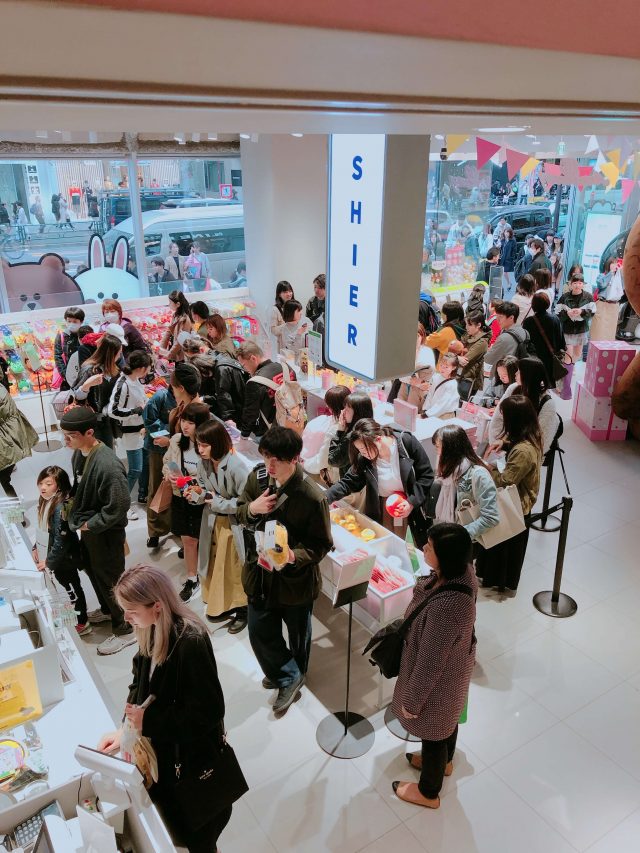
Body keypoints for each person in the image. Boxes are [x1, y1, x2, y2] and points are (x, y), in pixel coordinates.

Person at [98, 564, 233, 852]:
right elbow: (139, 684)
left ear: (157, 606)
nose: (127, 618)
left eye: (132, 611)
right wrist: (125, 729)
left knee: (199, 840)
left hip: (192, 768)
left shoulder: (190, 642)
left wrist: (149, 722)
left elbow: (208, 713)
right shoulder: (150, 631)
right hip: (168, 763)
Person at [236, 427, 333, 714]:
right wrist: (252, 508)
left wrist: (294, 555)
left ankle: (292, 675)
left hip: (295, 579)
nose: (270, 465)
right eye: (266, 457)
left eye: (277, 459)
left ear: (295, 459)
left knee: (298, 634)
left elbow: (321, 545)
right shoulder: (258, 479)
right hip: (260, 573)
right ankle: (288, 675)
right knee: (258, 629)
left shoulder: (312, 496)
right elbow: (239, 511)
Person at [390, 523, 477, 809]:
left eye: (430, 547)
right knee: (447, 720)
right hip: (455, 668)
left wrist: (412, 703)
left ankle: (428, 791)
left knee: (433, 730)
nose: (424, 549)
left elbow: (430, 662)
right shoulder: (463, 573)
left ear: (446, 557)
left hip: (440, 678)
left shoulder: (447, 608)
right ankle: (445, 764)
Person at [60, 407, 133, 655]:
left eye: (70, 435)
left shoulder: (108, 465)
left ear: (89, 432)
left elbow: (120, 505)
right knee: (93, 570)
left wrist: (92, 524)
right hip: (89, 530)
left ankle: (125, 627)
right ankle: (107, 609)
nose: (65, 440)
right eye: (64, 435)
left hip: (106, 533)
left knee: (111, 577)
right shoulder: (80, 454)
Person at [327, 419, 434, 546]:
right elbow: (347, 483)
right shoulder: (365, 459)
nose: (363, 454)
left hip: (410, 507)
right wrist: (323, 499)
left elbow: (426, 475)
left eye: (364, 449)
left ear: (378, 439)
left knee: (411, 547)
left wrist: (411, 502)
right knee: (386, 545)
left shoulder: (406, 443)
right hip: (382, 507)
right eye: (359, 450)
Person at [476, 395, 542, 593]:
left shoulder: (523, 451)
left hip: (516, 506)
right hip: (518, 504)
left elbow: (506, 480)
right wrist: (504, 445)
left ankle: (498, 580)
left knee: (502, 545)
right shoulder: (530, 437)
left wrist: (485, 468)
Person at [191, 420, 249, 631]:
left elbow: (245, 503)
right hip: (212, 522)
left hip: (233, 525)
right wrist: (195, 495)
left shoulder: (236, 466)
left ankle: (243, 609)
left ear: (216, 442)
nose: (200, 449)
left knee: (233, 569)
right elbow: (205, 492)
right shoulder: (202, 464)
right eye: (198, 444)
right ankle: (224, 604)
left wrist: (215, 501)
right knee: (216, 566)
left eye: (204, 445)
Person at [163, 402, 212, 602]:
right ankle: (193, 578)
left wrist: (192, 482)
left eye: (191, 423)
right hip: (180, 496)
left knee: (204, 539)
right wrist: (169, 475)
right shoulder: (176, 441)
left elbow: (214, 476)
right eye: (183, 421)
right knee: (188, 540)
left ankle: (208, 575)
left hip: (202, 499)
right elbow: (167, 463)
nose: (185, 426)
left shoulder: (209, 444)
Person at [32, 466, 89, 634]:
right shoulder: (46, 501)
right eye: (41, 483)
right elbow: (44, 530)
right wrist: (36, 546)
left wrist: (49, 562)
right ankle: (76, 616)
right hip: (55, 557)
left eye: (48, 484)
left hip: (66, 559)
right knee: (66, 587)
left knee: (72, 589)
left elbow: (61, 540)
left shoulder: (60, 507)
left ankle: (82, 622)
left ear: (59, 485)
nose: (43, 487)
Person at [432, 426, 499, 540]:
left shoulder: (478, 475)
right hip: (445, 536)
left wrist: (459, 536)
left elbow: (491, 517)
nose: (436, 451)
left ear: (450, 449)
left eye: (438, 447)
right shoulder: (447, 472)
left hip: (465, 540)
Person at [109, 351, 152, 520]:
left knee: (144, 464)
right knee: (135, 469)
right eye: (148, 368)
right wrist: (137, 411)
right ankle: (121, 505)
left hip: (141, 429)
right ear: (141, 369)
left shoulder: (134, 381)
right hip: (130, 432)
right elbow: (113, 411)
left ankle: (142, 494)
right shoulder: (123, 384)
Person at [143, 372, 181, 550]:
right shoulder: (160, 397)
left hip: (179, 451)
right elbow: (149, 420)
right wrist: (167, 432)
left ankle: (177, 528)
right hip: (158, 450)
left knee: (178, 487)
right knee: (157, 487)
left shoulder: (189, 400)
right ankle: (155, 532)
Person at [72, 330, 124, 448]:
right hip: (93, 422)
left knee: (106, 451)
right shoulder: (90, 369)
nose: (120, 356)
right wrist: (86, 386)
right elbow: (77, 396)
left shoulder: (114, 369)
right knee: (95, 453)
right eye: (118, 353)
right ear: (111, 354)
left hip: (108, 420)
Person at [236, 341, 289, 438]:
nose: (244, 369)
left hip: (270, 433)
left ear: (253, 358)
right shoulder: (286, 368)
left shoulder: (255, 382)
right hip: (292, 425)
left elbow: (250, 413)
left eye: (244, 365)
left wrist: (244, 435)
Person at [300, 385, 350, 483]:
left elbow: (322, 460)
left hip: (338, 476)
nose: (326, 406)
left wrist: (305, 464)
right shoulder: (356, 421)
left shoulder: (333, 431)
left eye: (328, 404)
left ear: (334, 407)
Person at [0, 384, 38, 498]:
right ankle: (16, 512)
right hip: (11, 437)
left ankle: (16, 513)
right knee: (5, 480)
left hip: (6, 440)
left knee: (4, 480)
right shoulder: (1, 388)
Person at [327, 391, 375, 478]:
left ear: (357, 413)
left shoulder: (353, 436)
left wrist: (339, 432)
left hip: (351, 484)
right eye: (344, 407)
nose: (343, 411)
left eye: (347, 409)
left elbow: (332, 460)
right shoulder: (370, 426)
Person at [522, 292, 566, 387]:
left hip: (533, 360)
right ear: (548, 303)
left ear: (533, 305)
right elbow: (562, 343)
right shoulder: (555, 319)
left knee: (533, 385)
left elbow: (525, 342)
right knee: (546, 386)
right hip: (550, 361)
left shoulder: (528, 322)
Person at [193, 352, 246, 424]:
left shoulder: (221, 370)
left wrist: (228, 418)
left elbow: (223, 395)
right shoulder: (221, 361)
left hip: (242, 406)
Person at [555, 273, 596, 363]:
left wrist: (582, 312)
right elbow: (557, 312)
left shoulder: (588, 297)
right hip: (567, 329)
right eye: (575, 283)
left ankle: (569, 370)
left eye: (580, 283)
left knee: (578, 353)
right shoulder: (564, 297)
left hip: (581, 329)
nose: (577, 285)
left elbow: (593, 312)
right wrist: (567, 313)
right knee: (568, 354)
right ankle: (567, 374)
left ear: (583, 284)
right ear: (570, 284)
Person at [483, 301, 529, 381]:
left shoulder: (504, 338)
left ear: (511, 317)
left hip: (503, 377)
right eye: (496, 317)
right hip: (520, 374)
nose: (497, 320)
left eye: (500, 317)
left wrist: (490, 350)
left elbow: (488, 359)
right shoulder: (525, 332)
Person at [397, 325, 436, 410]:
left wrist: (418, 383)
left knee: (412, 416)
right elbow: (400, 377)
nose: (414, 339)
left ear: (422, 336)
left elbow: (429, 377)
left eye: (417, 336)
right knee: (399, 412)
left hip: (418, 391)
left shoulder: (427, 351)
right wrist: (416, 382)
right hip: (404, 386)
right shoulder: (405, 351)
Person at [458, 312, 490, 400]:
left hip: (469, 379)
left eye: (469, 325)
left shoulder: (482, 342)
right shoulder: (469, 336)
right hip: (462, 376)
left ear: (478, 325)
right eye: (466, 324)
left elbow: (465, 360)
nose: (466, 327)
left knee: (461, 406)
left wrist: (456, 357)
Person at [592, 257, 624, 341]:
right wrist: (611, 273)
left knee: (610, 332)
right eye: (612, 263)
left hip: (614, 306)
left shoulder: (619, 277)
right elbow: (601, 284)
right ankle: (595, 352)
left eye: (616, 263)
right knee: (598, 331)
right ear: (608, 265)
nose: (614, 265)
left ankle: (606, 352)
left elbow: (623, 289)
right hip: (602, 304)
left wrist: (622, 273)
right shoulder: (602, 275)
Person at [54, 306, 85, 391]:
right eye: (69, 321)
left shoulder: (85, 335)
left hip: (84, 377)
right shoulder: (61, 336)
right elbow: (58, 356)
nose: (71, 324)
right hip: (67, 379)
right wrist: (66, 375)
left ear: (81, 322)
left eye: (75, 321)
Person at [422, 353, 460, 419]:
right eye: (441, 365)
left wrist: (426, 414)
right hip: (432, 412)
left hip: (444, 415)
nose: (442, 368)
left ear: (454, 367)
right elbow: (430, 395)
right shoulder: (436, 377)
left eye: (446, 367)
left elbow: (443, 404)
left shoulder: (452, 384)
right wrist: (426, 409)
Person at [159, 290, 193, 362]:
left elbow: (180, 342)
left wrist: (169, 354)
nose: (169, 304)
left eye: (170, 302)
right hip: (174, 351)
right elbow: (168, 332)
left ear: (178, 304)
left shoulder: (185, 320)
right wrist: (161, 348)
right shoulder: (175, 315)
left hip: (181, 355)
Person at [269, 281, 295, 349]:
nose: (289, 294)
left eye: (290, 291)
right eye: (285, 292)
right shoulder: (275, 309)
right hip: (283, 346)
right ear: (279, 294)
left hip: (295, 343)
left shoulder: (295, 306)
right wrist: (287, 325)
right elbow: (273, 330)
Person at [499, 226, 518, 299]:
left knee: (507, 272)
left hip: (509, 258)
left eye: (508, 232)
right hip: (503, 258)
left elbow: (514, 249)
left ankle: (511, 283)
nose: (506, 234)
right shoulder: (503, 240)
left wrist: (511, 257)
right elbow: (501, 248)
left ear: (510, 233)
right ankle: (509, 283)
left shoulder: (512, 240)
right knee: (504, 272)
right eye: (505, 232)